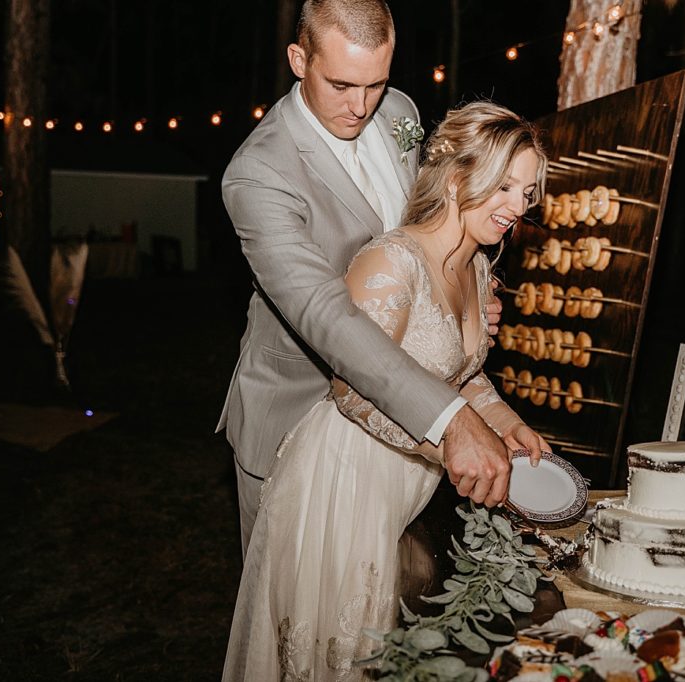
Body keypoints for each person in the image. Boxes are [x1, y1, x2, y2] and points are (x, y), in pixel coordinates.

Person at [222, 100, 550, 681]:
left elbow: (460, 373)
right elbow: (350, 392)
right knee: (342, 653)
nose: (516, 208)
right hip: (344, 482)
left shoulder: (474, 265)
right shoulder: (392, 262)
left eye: (526, 193)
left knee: (386, 649)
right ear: (456, 178)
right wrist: (448, 445)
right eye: (503, 187)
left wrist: (505, 423)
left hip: (403, 484)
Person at [216, 0, 535, 557]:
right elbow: (326, 316)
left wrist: (458, 302)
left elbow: (425, 238)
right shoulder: (259, 173)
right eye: (341, 84)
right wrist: (451, 420)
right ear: (298, 58)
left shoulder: (398, 113)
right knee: (297, 618)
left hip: (397, 433)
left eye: (375, 84)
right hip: (298, 419)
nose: (360, 106)